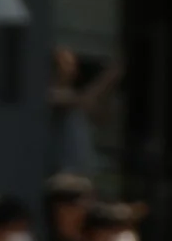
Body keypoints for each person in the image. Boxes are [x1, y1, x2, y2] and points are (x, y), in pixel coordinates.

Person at [49, 49, 123, 180]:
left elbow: (101, 117)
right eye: (64, 62)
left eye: (72, 63)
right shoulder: (50, 94)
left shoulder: (75, 99)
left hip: (81, 174)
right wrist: (109, 77)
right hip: (60, 175)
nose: (70, 67)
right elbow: (84, 100)